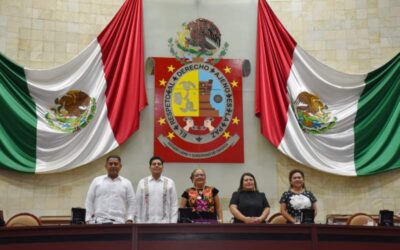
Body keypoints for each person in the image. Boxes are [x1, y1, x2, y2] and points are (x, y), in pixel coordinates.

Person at [85, 155, 136, 224]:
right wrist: (88, 218)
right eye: (110, 164)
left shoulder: (126, 183)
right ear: (106, 166)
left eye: (116, 164)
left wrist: (130, 219)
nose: (113, 166)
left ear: (120, 166)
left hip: (119, 222)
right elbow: (89, 200)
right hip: (99, 222)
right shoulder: (97, 181)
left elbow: (132, 203)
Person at [135, 156, 178, 223]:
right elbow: (138, 204)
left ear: (162, 167)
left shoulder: (170, 182)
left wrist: (173, 222)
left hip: (165, 223)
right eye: (154, 164)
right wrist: (138, 222)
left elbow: (174, 204)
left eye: (159, 164)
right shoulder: (142, 182)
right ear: (150, 167)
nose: (156, 165)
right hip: (145, 224)